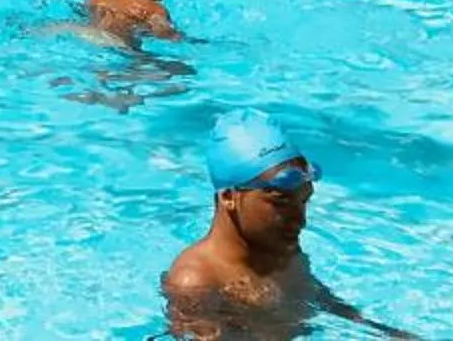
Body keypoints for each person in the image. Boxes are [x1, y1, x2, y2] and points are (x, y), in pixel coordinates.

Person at [164, 113, 412, 339]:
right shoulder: (197, 283)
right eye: (280, 202)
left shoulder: (280, 248)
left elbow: (314, 297)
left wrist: (380, 331)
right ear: (229, 197)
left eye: (303, 201)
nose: (300, 220)